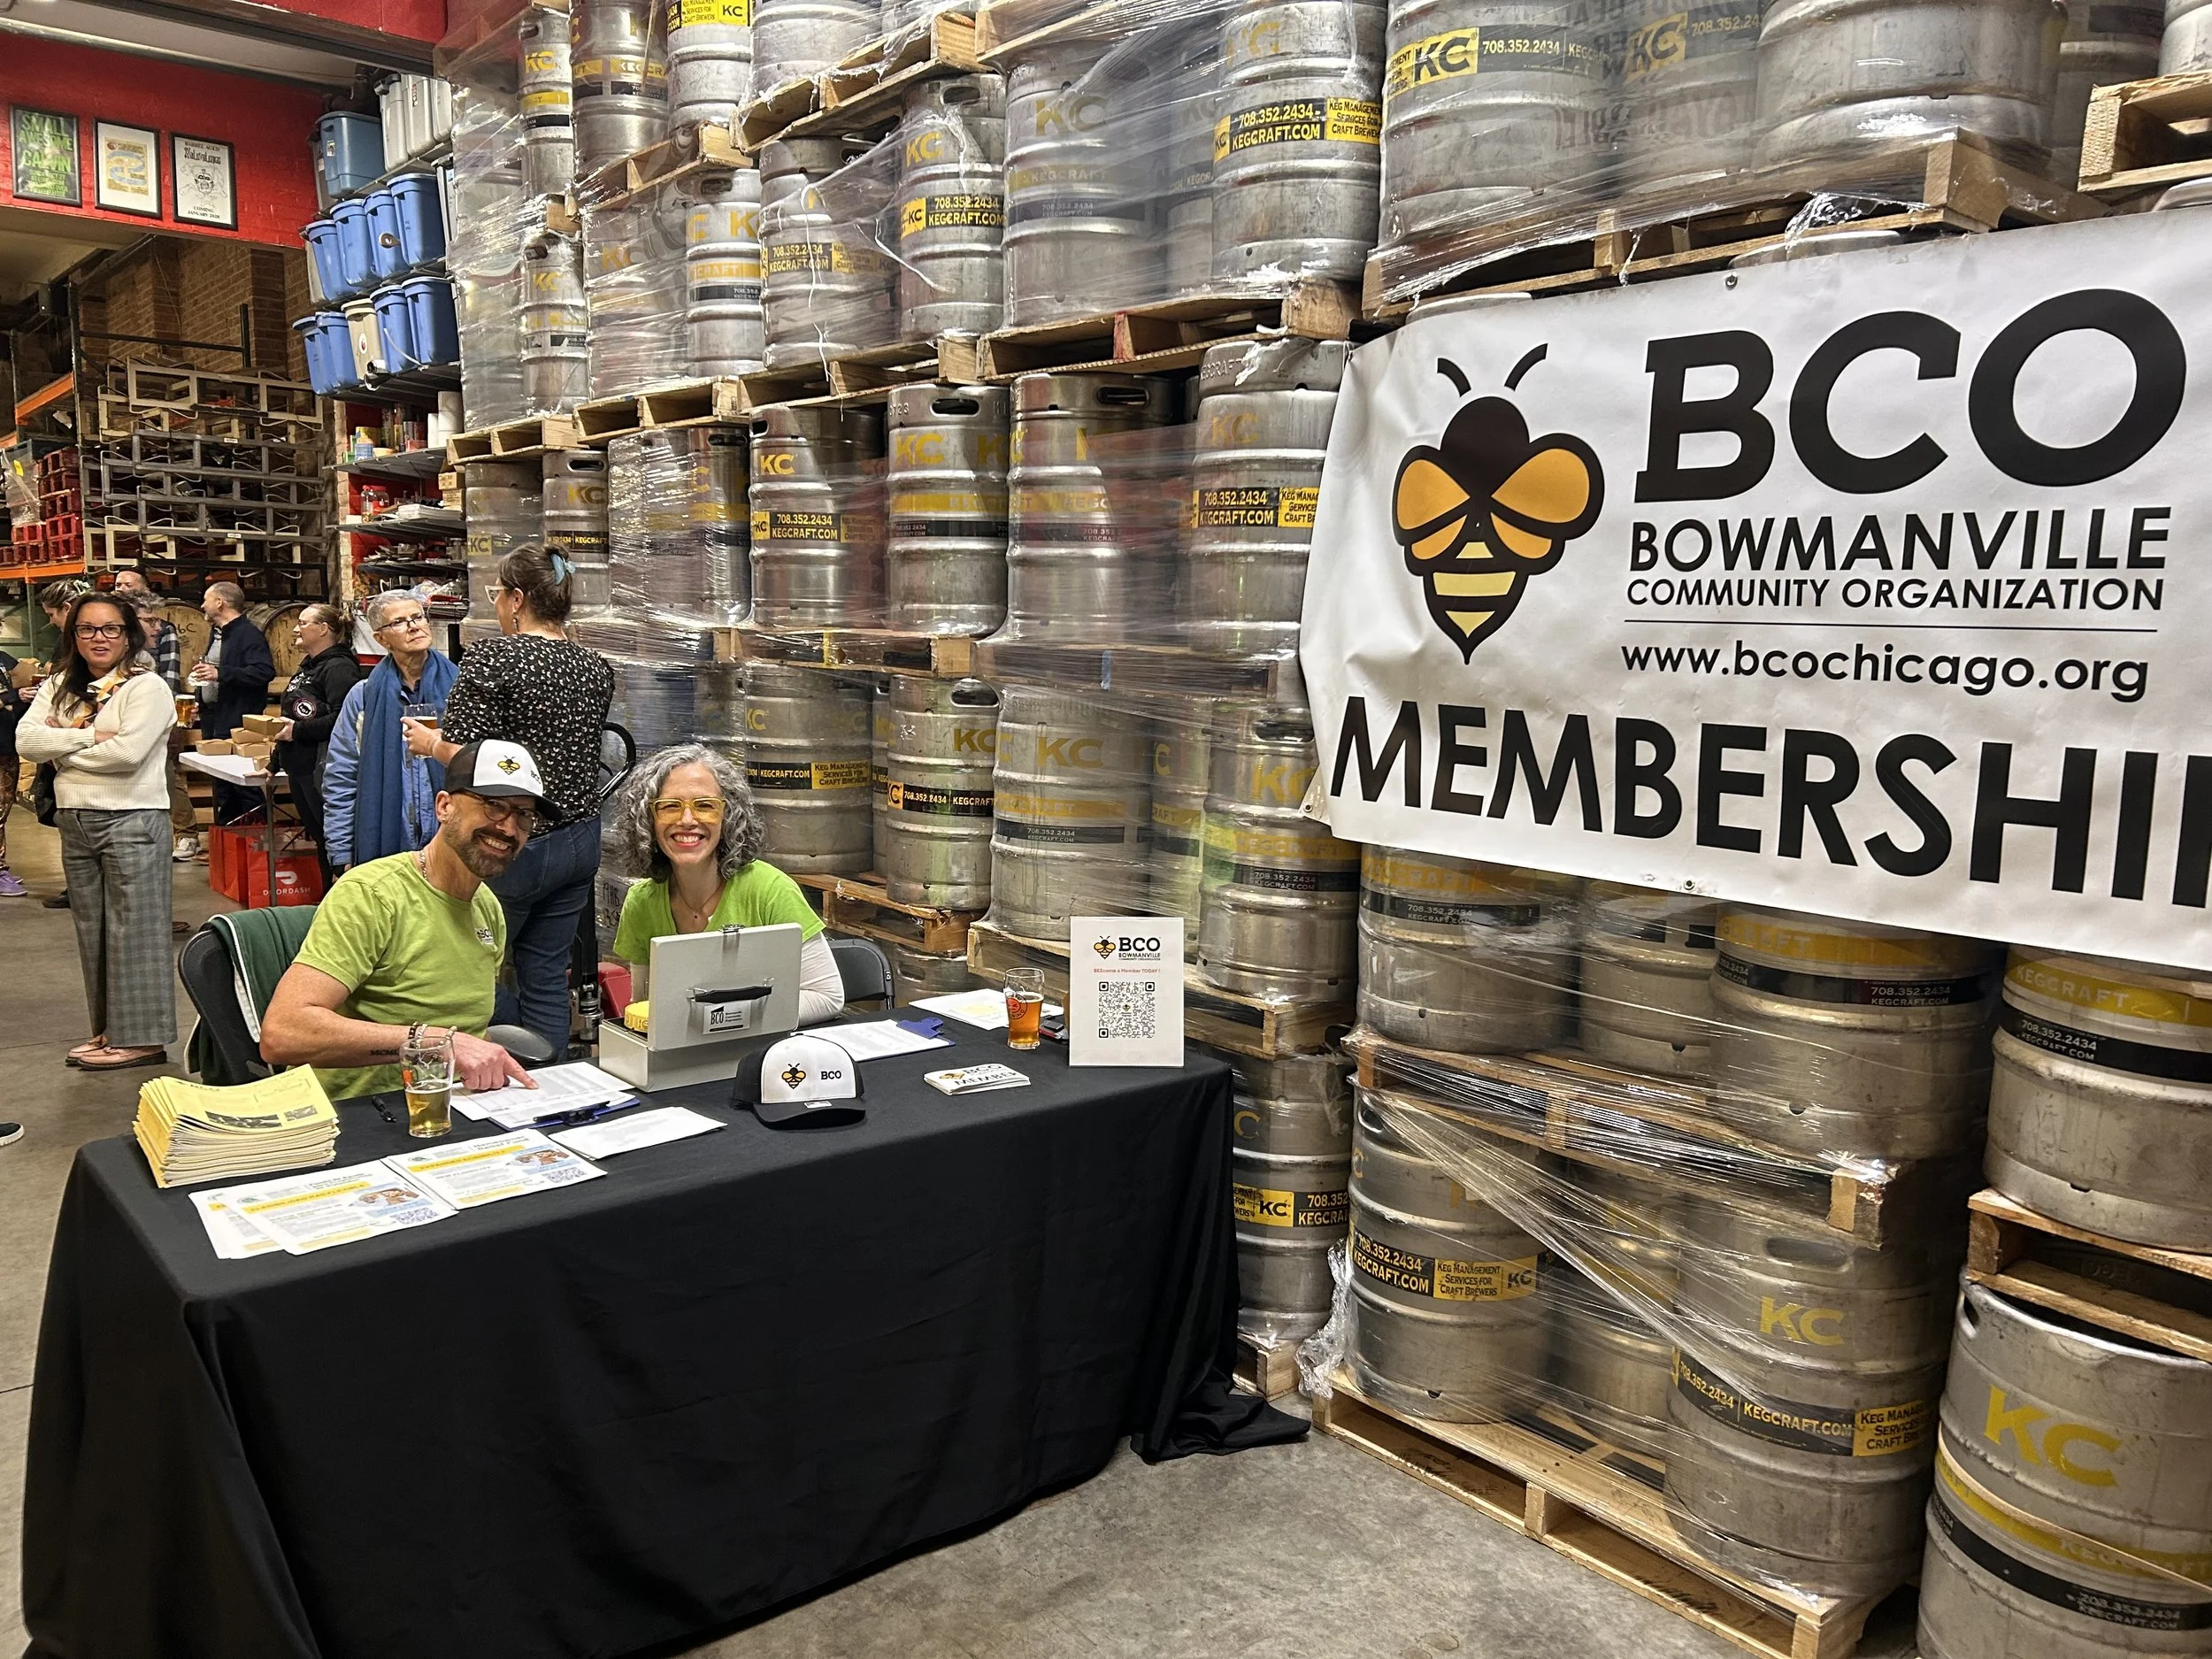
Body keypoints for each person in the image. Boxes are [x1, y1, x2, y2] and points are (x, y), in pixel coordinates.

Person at [409, 545, 613, 1054]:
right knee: (545, 969)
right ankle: (550, 1083)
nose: (497, 605)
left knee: (470, 964)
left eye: (499, 595)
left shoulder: (492, 658)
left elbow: (473, 763)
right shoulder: (595, 666)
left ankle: (485, 1068)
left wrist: (430, 744)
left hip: (513, 838)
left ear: (518, 599)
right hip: (580, 838)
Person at [260, 740, 543, 1100]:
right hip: (363, 1117)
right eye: (494, 806)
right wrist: (433, 1041)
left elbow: (469, 1030)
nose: (508, 827)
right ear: (444, 806)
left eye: (524, 815)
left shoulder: (486, 906)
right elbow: (284, 1033)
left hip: (455, 1108)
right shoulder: (373, 895)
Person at [16, 592, 179, 1070]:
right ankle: (109, 1030)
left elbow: (127, 756)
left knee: (137, 930)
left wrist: (60, 748)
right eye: (87, 629)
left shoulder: (145, 688)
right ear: (73, 635)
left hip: (134, 819)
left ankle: (143, 1038)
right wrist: (89, 737)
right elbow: (27, 740)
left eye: (110, 628)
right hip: (75, 819)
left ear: (128, 635)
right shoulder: (61, 685)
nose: (98, 638)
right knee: (94, 930)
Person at [606, 743, 846, 1025]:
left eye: (705, 806)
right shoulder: (641, 903)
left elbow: (827, 996)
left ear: (729, 817)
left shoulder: (769, 891)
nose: (687, 820)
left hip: (762, 1057)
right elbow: (646, 1009)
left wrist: (725, 1021)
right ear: (646, 821)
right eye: (670, 807)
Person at [321, 590, 456, 873]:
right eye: (399, 622)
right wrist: (342, 849)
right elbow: (342, 776)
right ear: (380, 639)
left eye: (418, 617)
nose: (414, 626)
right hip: (390, 841)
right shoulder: (365, 697)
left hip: (452, 840)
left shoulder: (461, 687)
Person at [273, 603, 365, 889]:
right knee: (320, 839)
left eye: (303, 622)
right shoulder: (309, 665)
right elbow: (292, 715)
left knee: (332, 842)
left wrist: (298, 731)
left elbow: (343, 719)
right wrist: (274, 761)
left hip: (321, 768)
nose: (296, 628)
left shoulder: (339, 668)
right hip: (300, 767)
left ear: (324, 629)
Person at [110, 569, 200, 863]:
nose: (121, 588)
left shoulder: (161, 635)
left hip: (158, 720)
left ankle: (185, 834)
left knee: (167, 773)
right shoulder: (109, 651)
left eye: (128, 583)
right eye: (117, 584)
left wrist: (171, 714)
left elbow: (170, 677)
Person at [188, 581, 273, 827]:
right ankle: (230, 847)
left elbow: (263, 672)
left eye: (207, 599)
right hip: (215, 719)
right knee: (223, 787)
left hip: (237, 722)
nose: (202, 605)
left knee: (243, 786)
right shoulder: (220, 633)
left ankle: (261, 842)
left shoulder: (248, 634)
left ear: (220, 602)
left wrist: (220, 673)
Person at [31, 580, 92, 909]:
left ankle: (82, 887)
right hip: (71, 737)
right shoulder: (71, 643)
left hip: (75, 739)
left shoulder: (76, 645)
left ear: (66, 609)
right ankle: (80, 886)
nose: (52, 622)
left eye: (53, 614)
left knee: (75, 816)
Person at [0, 644, 27, 898]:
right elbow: (10, 696)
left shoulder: (4, 659)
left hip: (7, 745)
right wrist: (12, 697)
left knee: (3, 808)